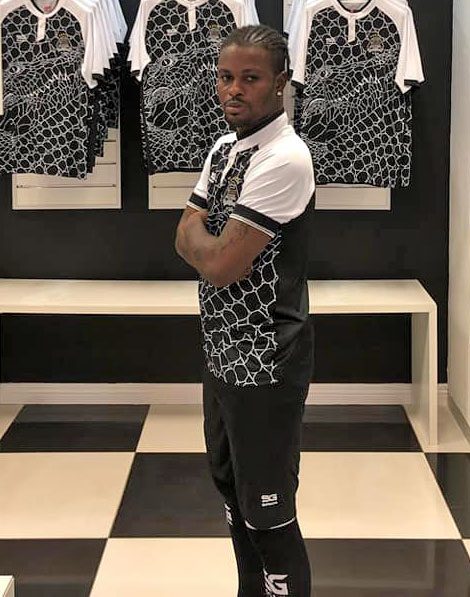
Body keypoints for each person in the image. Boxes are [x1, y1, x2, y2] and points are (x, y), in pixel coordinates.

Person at [175, 24, 315, 597]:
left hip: (266, 359)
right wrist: (204, 244)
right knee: (232, 497)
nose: (233, 90)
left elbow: (220, 265)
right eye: (226, 77)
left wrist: (203, 243)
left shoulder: (285, 158)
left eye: (250, 78)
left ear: (281, 82)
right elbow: (182, 234)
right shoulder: (224, 149)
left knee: (269, 515)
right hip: (221, 352)